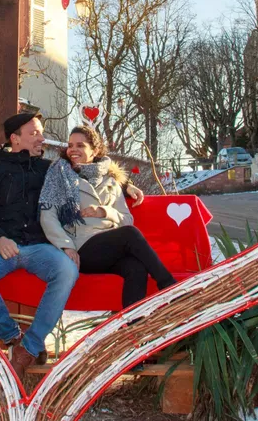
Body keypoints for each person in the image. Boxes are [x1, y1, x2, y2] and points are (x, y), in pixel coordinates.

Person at [0, 113, 143, 378]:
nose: (42, 138)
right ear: (15, 139)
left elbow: (89, 168)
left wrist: (126, 184)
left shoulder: (52, 169)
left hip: (40, 248)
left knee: (66, 270)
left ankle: (30, 346)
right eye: (34, 133)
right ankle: (11, 336)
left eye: (41, 132)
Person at [39, 125, 175, 310]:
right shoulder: (59, 176)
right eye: (70, 145)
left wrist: (105, 212)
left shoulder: (111, 181)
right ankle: (169, 285)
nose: (73, 150)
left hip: (109, 249)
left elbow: (127, 219)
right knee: (129, 234)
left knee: (136, 267)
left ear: (94, 151)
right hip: (80, 249)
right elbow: (47, 217)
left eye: (80, 145)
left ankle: (131, 327)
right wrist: (66, 246)